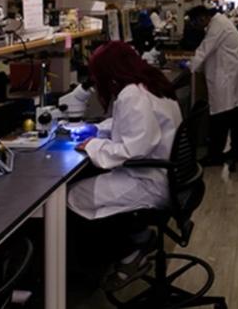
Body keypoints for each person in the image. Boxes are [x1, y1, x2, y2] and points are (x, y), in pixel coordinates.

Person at [68, 41, 182, 289]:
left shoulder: (131, 94)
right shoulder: (151, 84)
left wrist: (92, 145)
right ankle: (136, 238)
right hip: (168, 177)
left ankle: (107, 263)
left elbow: (133, 149)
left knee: (71, 197)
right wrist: (96, 129)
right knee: (88, 188)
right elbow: (132, 124)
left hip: (146, 180)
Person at [185, 5, 238, 165]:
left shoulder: (217, 26)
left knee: (220, 117)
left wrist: (189, 68)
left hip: (229, 77)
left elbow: (204, 51)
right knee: (235, 115)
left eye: (194, 23)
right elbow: (209, 53)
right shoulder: (219, 22)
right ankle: (237, 151)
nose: (194, 27)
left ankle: (215, 155)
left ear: (203, 18)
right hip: (232, 75)